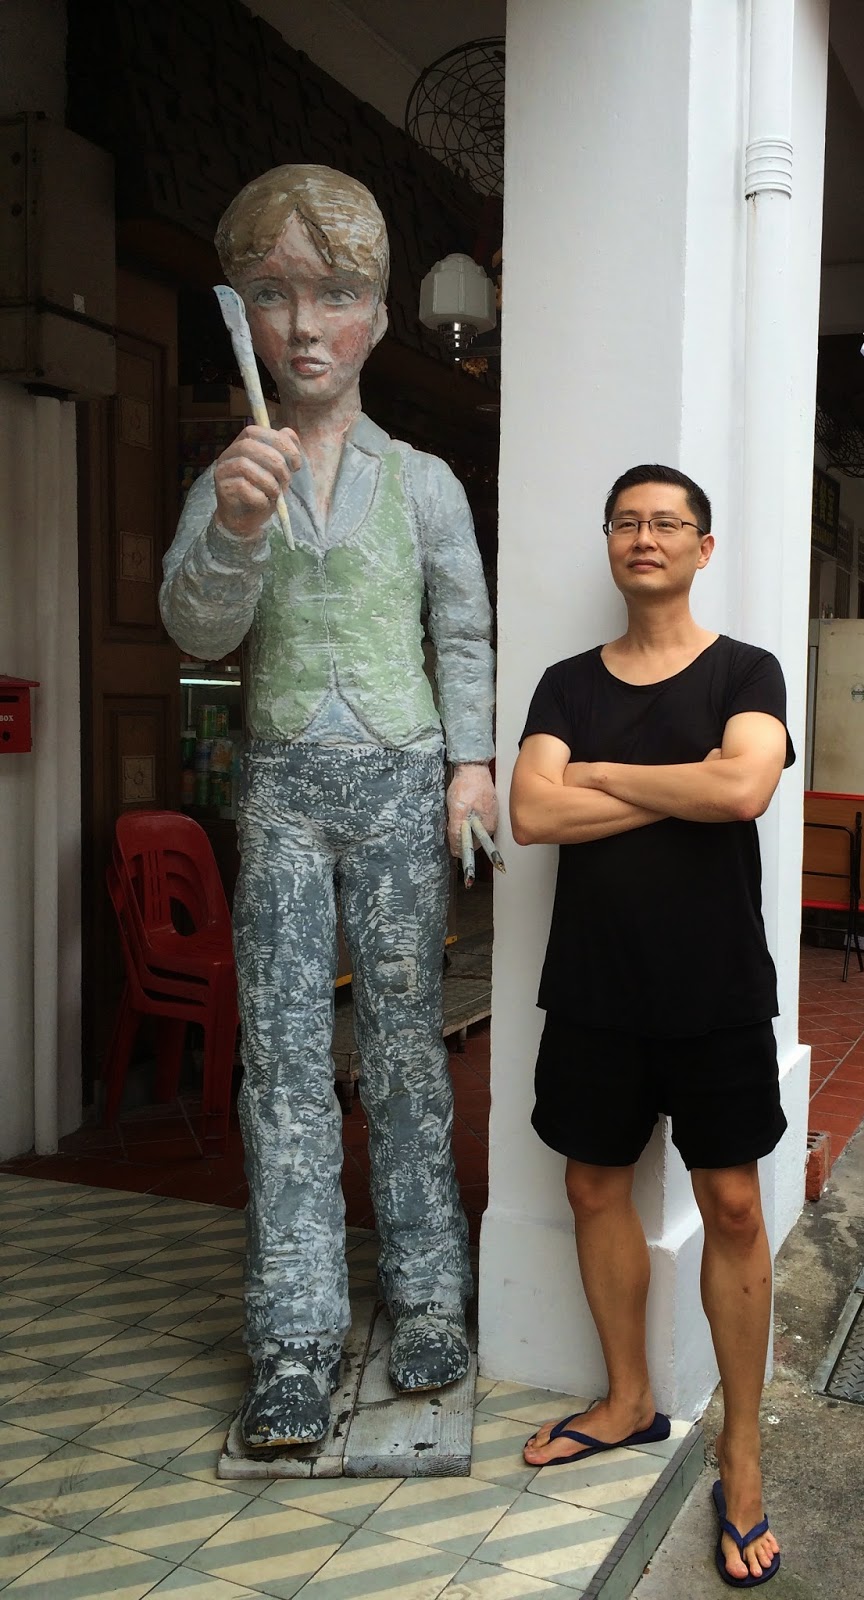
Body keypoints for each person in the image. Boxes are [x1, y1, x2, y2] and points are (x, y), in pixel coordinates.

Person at [159, 165, 497, 1449]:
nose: (305, 326)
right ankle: (293, 1331)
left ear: (380, 316)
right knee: (286, 1060)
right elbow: (197, 626)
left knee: (406, 1047)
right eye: (272, 294)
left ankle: (428, 1293)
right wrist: (236, 528)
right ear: (240, 314)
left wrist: (471, 762)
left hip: (403, 778)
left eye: (337, 293)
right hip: (285, 790)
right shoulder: (231, 475)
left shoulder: (425, 482)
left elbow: (462, 628)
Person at [509, 464, 793, 1588]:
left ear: (702, 547)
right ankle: (628, 1398)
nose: (645, 537)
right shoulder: (566, 683)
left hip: (716, 987)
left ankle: (742, 1451)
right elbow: (532, 811)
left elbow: (744, 792)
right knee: (593, 1185)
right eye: (627, 521)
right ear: (609, 542)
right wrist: (684, 780)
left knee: (734, 1203)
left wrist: (606, 777)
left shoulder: (746, 670)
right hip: (595, 986)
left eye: (668, 522)